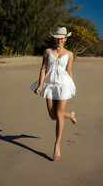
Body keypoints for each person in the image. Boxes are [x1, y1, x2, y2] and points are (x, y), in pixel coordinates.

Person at [30, 26, 77, 161]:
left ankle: (57, 145)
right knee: (52, 115)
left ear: (65, 39)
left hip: (63, 84)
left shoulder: (69, 54)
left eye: (61, 38)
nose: (59, 40)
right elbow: (43, 68)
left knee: (59, 113)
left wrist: (71, 86)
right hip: (49, 84)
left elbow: (68, 71)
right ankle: (70, 115)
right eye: (57, 38)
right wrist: (40, 85)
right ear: (54, 38)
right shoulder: (47, 51)